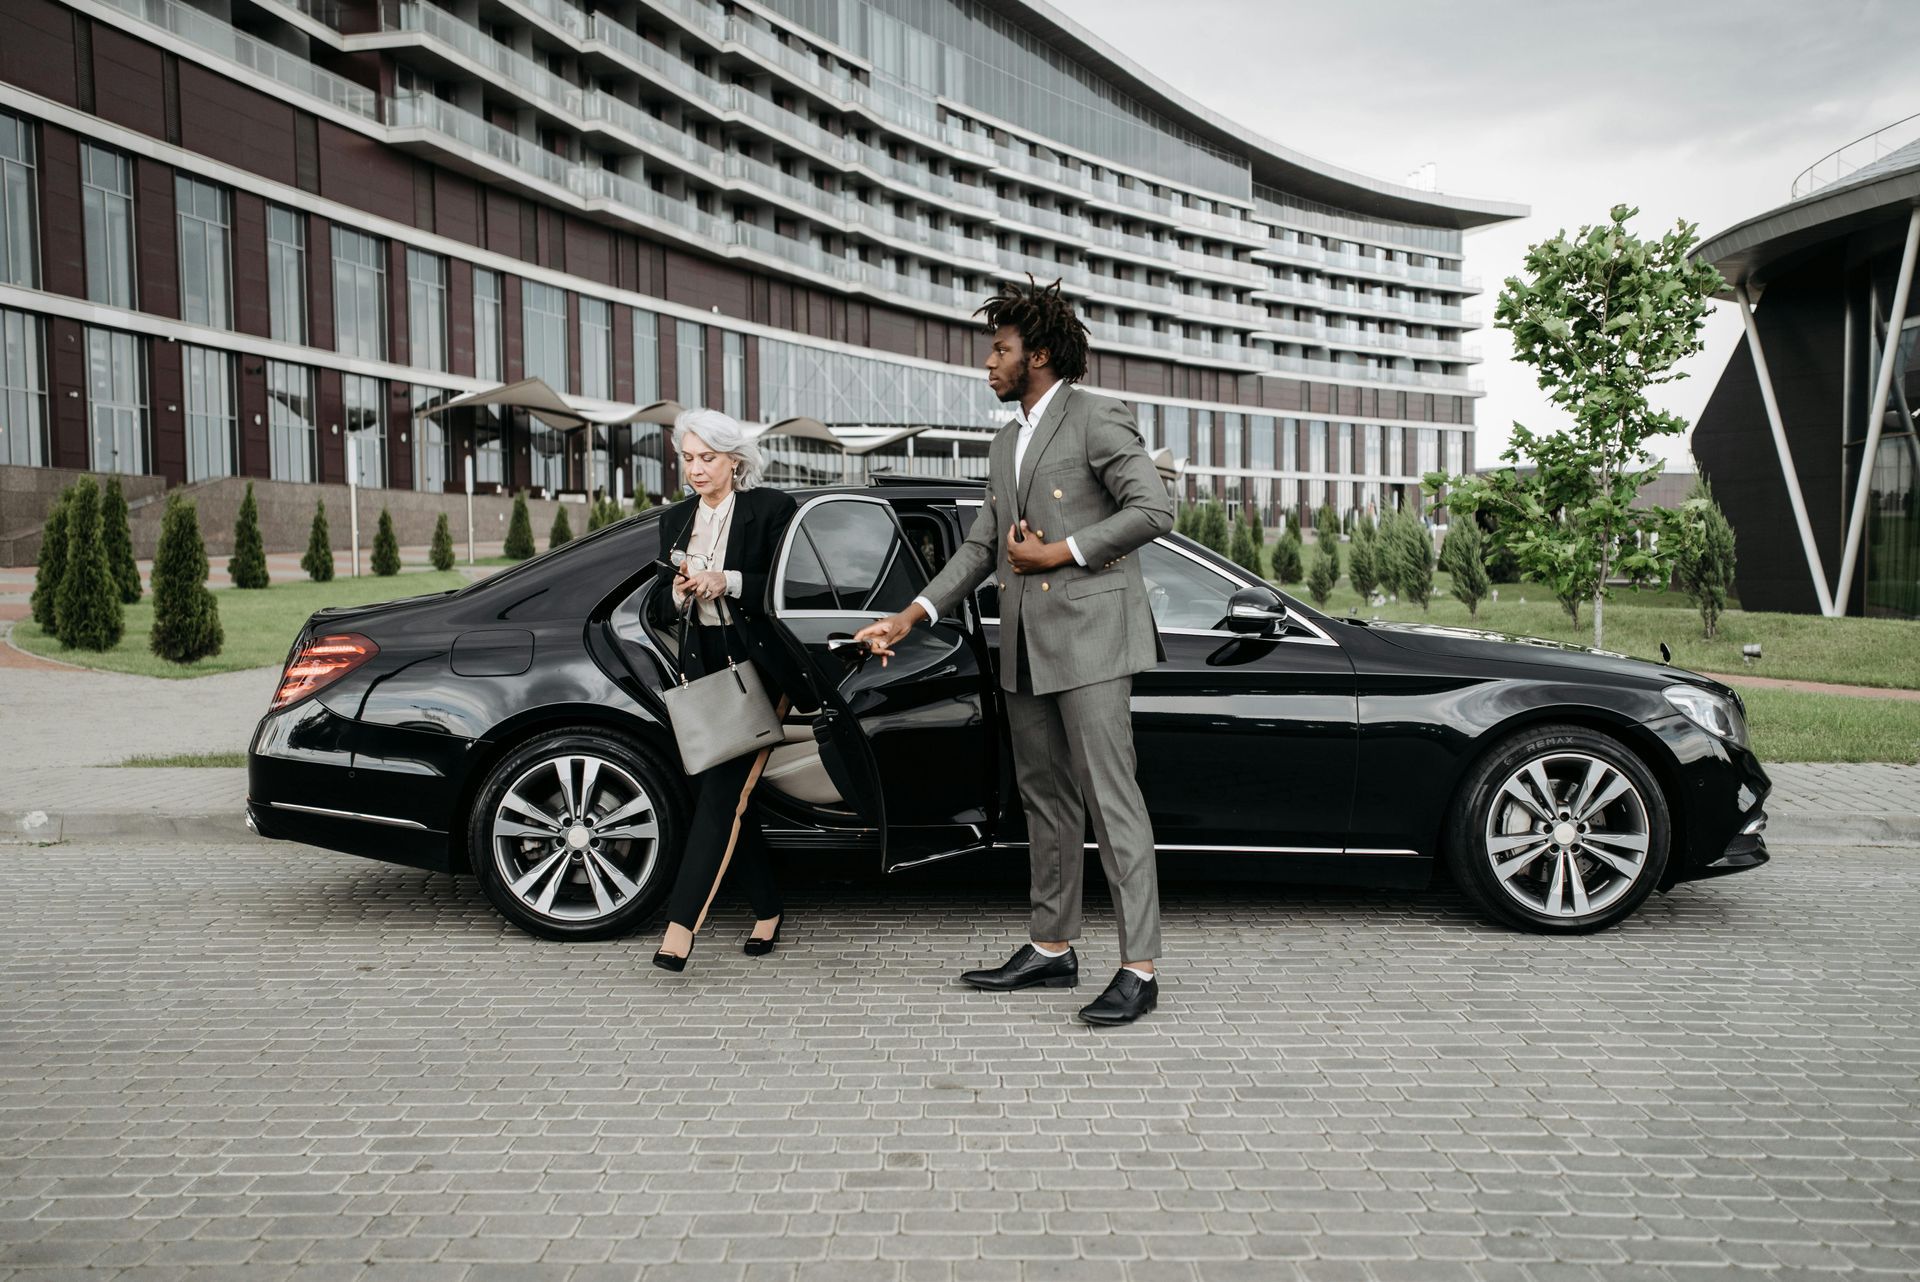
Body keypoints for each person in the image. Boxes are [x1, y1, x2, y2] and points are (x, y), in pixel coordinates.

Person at [856, 278, 1174, 1025]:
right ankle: (1052, 948)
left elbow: (1154, 509)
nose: (987, 363)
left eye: (998, 350)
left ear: (1035, 354)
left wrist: (1060, 551)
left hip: (1093, 641)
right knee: (1047, 800)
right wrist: (909, 615)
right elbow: (978, 548)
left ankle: (1140, 967)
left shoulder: (1096, 417)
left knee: (1111, 801)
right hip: (1027, 647)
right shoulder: (1006, 440)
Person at [649, 408, 801, 972]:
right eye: (687, 459)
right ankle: (767, 908)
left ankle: (679, 929)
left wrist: (727, 581)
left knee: (721, 795)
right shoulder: (675, 521)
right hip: (703, 665)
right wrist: (686, 592)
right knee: (729, 796)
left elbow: (790, 589)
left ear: (735, 460)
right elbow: (659, 605)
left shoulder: (771, 510)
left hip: (760, 665)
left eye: (707, 459)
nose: (695, 469)